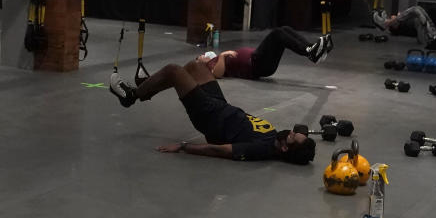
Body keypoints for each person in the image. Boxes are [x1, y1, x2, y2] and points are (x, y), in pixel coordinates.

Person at [109, 58, 315, 165]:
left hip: (209, 116)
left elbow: (220, 150)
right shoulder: (276, 138)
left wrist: (182, 147)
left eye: (292, 137)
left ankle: (132, 96)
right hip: (220, 105)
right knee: (195, 66)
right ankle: (147, 92)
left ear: (286, 150)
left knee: (174, 70)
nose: (291, 132)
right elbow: (298, 131)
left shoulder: (262, 149)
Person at [205, 28, 333, 80]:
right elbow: (217, 74)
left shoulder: (212, 60)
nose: (201, 56)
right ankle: (310, 52)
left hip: (260, 62)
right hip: (256, 64)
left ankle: (311, 49)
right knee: (277, 33)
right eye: (199, 58)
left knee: (284, 29)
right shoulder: (211, 64)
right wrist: (222, 56)